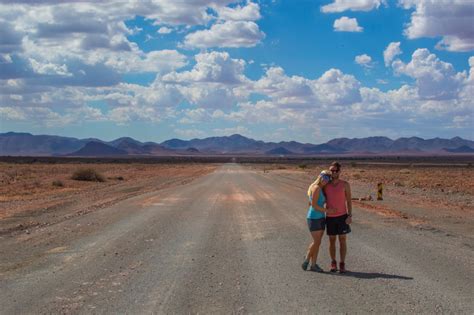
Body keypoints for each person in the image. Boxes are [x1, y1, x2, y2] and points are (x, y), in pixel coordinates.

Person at [302, 170, 337, 272]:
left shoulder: (321, 188)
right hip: (314, 218)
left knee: (318, 242)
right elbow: (313, 205)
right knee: (316, 241)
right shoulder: (316, 188)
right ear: (320, 177)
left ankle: (313, 265)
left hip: (321, 217)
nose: (326, 180)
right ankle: (307, 258)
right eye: (325, 178)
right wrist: (328, 210)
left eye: (328, 179)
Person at [324, 161, 352, 273]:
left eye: (335, 170)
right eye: (331, 170)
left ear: (339, 171)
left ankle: (342, 263)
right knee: (331, 241)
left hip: (342, 217)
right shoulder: (325, 185)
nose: (333, 172)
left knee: (342, 240)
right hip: (330, 217)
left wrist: (349, 215)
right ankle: (333, 262)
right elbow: (318, 197)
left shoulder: (345, 184)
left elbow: (349, 201)